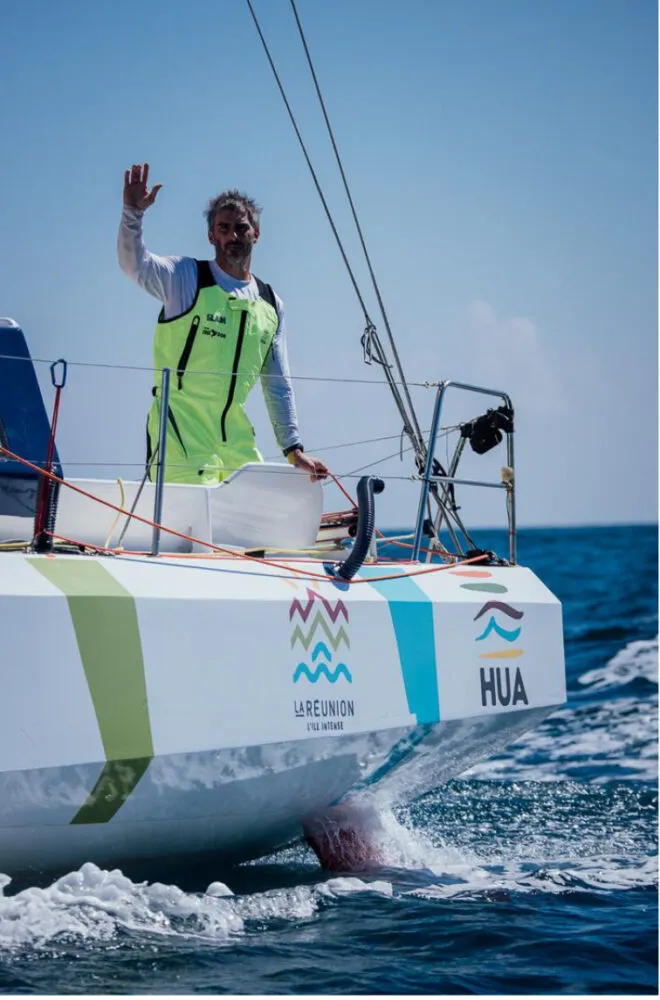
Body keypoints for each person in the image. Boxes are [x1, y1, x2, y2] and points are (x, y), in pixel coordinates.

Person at [118, 162, 328, 485]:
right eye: (224, 228)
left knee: (258, 506)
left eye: (241, 228)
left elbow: (277, 383)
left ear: (256, 234)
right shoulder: (185, 278)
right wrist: (132, 214)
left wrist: (294, 450)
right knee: (194, 514)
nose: (233, 236)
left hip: (234, 437)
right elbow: (134, 265)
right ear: (211, 235)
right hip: (180, 435)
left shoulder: (271, 304)